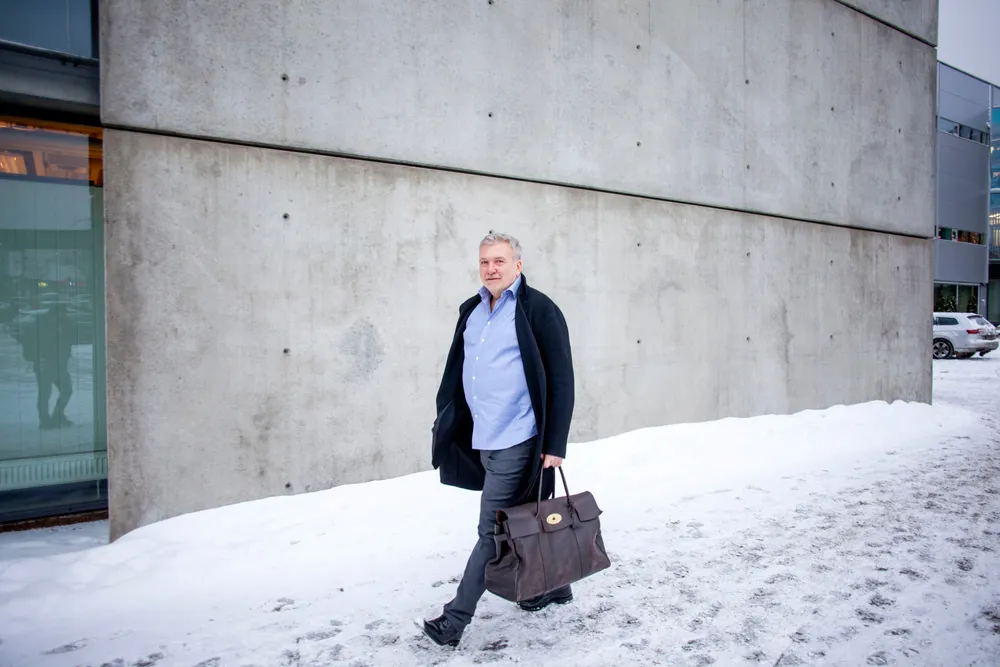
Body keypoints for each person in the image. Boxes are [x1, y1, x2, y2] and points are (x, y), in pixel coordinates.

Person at [424, 232, 575, 647]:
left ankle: (454, 620)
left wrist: (555, 444)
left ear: (518, 265)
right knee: (524, 518)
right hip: (480, 437)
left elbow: (561, 378)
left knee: (491, 530)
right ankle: (551, 587)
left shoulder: (538, 309)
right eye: (485, 262)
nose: (491, 269)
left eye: (500, 261)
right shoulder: (472, 310)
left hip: (518, 437)